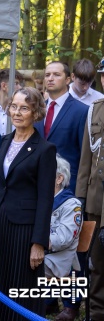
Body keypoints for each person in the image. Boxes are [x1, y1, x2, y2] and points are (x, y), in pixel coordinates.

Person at [0, 87, 56, 320]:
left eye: (24, 108)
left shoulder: (45, 149)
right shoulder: (2, 141)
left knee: (20, 286)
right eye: (14, 107)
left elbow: (46, 198)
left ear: (35, 112)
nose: (17, 112)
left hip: (24, 230)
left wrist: (39, 242)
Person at [33, 61, 88, 192]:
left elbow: (84, 156)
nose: (50, 78)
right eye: (47, 75)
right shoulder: (36, 109)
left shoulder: (81, 111)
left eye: (56, 75)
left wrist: (80, 192)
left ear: (68, 79)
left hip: (67, 186)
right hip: (35, 183)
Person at [75, 95, 104, 321]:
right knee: (96, 263)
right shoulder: (94, 110)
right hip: (96, 200)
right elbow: (86, 158)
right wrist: (80, 199)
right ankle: (95, 314)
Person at [45, 155, 83, 317]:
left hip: (58, 260)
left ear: (59, 178)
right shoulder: (39, 200)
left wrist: (32, 241)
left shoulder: (71, 205)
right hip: (39, 255)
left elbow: (62, 239)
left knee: (17, 262)